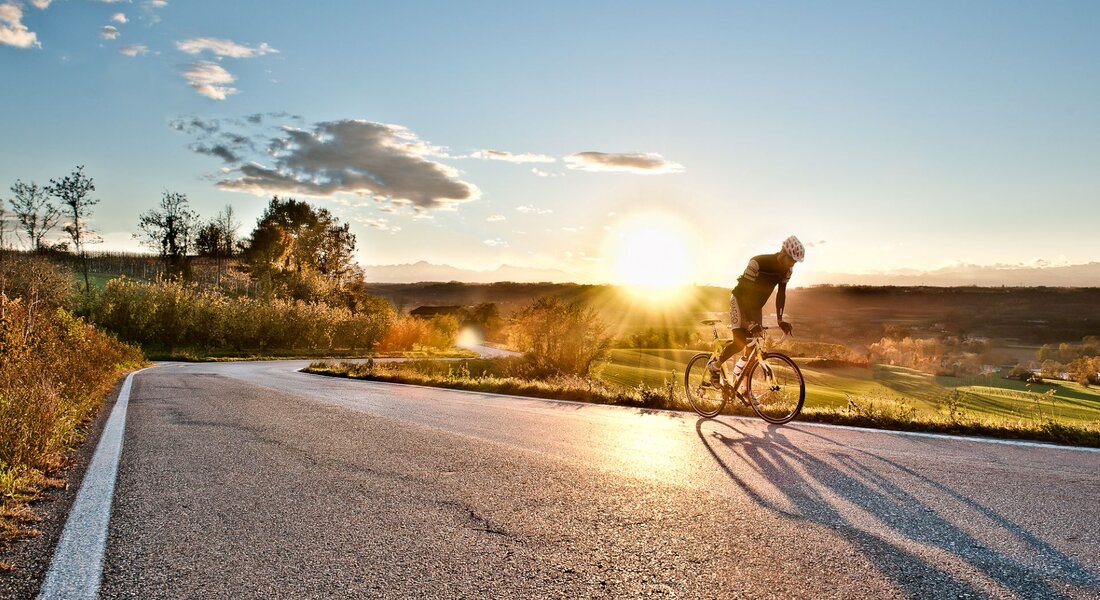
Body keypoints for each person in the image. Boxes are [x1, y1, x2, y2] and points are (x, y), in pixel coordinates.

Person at [708, 235, 805, 388]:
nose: (792, 264)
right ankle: (715, 366)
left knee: (753, 348)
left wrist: (780, 320)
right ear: (782, 252)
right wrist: (750, 322)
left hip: (755, 307)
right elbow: (745, 292)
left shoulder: (787, 271)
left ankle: (740, 386)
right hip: (740, 300)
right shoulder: (758, 262)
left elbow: (781, 293)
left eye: (794, 262)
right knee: (740, 342)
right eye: (790, 260)